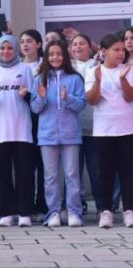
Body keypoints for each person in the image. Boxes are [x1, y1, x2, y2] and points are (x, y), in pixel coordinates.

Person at [31, 40, 86, 227]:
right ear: (46, 57)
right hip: (47, 136)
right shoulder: (39, 79)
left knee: (72, 175)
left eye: (59, 54)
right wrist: (42, 97)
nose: (55, 57)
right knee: (51, 176)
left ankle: (73, 212)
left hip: (71, 135)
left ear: (65, 56)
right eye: (51, 54)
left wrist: (67, 98)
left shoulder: (75, 78)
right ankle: (53, 212)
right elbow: (35, 108)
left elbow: (81, 105)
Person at [0, 34, 35, 227]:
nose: (6, 52)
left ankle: (24, 213)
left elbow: (34, 98)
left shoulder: (25, 69)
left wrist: (26, 95)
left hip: (22, 130)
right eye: (2, 48)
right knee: (2, 173)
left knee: (25, 173)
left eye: (10, 48)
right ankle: (6, 212)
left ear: (15, 50)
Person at [84, 34, 133, 228]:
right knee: (104, 172)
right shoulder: (93, 71)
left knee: (128, 172)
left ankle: (129, 210)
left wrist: (122, 80)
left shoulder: (128, 69)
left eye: (123, 50)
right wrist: (97, 81)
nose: (121, 53)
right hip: (103, 130)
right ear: (104, 52)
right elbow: (92, 100)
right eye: (116, 50)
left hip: (127, 128)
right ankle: (106, 211)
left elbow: (130, 97)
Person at [20, 29, 49, 219]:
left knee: (43, 165)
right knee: (26, 165)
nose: (25, 45)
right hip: (21, 121)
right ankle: (26, 206)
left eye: (29, 41)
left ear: (38, 44)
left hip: (42, 119)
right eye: (22, 41)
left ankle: (43, 206)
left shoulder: (45, 66)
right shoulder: (16, 67)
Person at [70, 33, 100, 218]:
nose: (78, 47)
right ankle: (77, 204)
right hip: (71, 129)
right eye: (75, 44)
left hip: (94, 128)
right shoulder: (67, 68)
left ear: (90, 47)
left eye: (82, 44)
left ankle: (102, 205)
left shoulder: (98, 66)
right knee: (74, 170)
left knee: (96, 169)